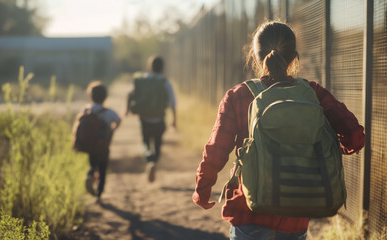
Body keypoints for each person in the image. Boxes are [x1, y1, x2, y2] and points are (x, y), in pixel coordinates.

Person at [192, 21, 365, 240]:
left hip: (249, 211)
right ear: (294, 58)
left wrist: (203, 187)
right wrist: (327, 146)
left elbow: (216, 148)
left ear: (255, 57)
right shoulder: (313, 93)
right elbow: (355, 137)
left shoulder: (238, 96)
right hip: (295, 216)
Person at [126, 56, 177, 182]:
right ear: (162, 67)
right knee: (158, 143)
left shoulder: (143, 79)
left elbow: (131, 94)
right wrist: (174, 119)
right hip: (159, 118)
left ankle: (149, 160)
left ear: (150, 67)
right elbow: (172, 102)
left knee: (145, 142)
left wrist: (127, 110)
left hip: (144, 118)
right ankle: (154, 160)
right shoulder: (165, 82)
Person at [74, 81, 121, 204]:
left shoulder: (86, 109)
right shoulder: (108, 112)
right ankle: (99, 194)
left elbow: (79, 124)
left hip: (89, 146)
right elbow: (118, 120)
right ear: (105, 97)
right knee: (103, 169)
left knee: (92, 165)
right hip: (103, 147)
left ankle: (89, 176)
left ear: (90, 96)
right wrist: (112, 130)